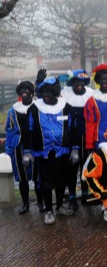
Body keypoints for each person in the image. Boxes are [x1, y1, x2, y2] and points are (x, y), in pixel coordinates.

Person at [23, 77, 78, 225]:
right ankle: (49, 211)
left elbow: (73, 130)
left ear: (55, 92)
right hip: (43, 152)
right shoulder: (34, 109)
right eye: (44, 92)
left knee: (61, 181)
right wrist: (27, 152)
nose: (46, 95)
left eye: (50, 92)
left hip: (62, 151)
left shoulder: (66, 107)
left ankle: (59, 206)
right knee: (46, 182)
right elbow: (27, 131)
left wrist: (75, 149)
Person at [5, 81, 41, 214]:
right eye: (22, 89)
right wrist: (9, 149)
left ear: (32, 92)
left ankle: (41, 202)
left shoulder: (38, 107)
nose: (24, 91)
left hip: (36, 146)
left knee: (38, 176)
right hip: (18, 147)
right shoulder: (13, 110)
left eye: (27, 89)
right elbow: (9, 130)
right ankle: (25, 204)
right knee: (22, 177)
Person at [61, 69, 93, 208]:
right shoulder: (66, 98)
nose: (79, 84)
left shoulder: (90, 97)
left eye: (81, 82)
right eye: (76, 82)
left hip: (87, 137)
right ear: (72, 83)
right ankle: (72, 197)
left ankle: (85, 194)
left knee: (86, 166)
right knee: (71, 169)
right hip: (71, 137)